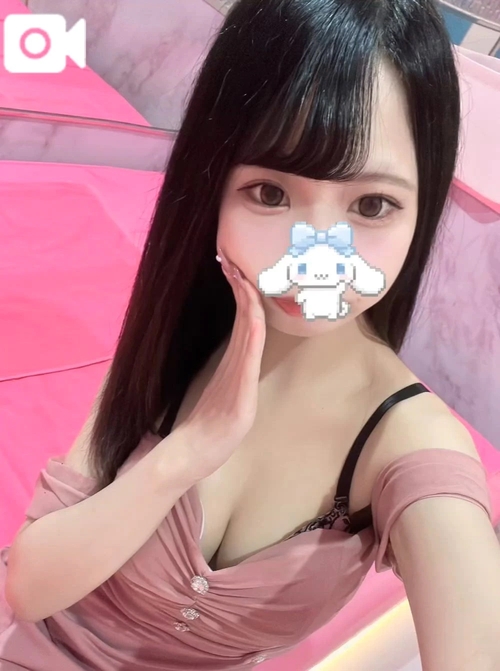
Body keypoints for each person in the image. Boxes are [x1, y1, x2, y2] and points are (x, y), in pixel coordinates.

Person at [1, 0, 498, 669]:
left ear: (421, 208)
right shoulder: (177, 332)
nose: (315, 255)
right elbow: (29, 588)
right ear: (215, 183)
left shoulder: (407, 443)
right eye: (270, 193)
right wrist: (188, 450)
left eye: (371, 205)